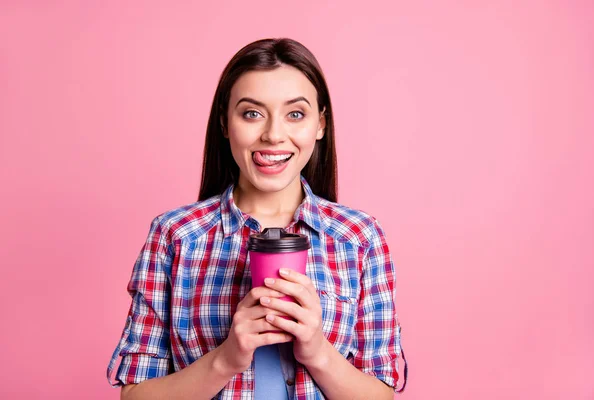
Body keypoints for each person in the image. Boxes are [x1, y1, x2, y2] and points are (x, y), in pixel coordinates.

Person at [107, 37, 407, 400]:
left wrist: (317, 352)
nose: (273, 135)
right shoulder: (176, 236)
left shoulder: (359, 238)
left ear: (320, 125)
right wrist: (226, 359)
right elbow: (135, 395)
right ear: (224, 123)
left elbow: (380, 395)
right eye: (252, 113)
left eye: (295, 114)